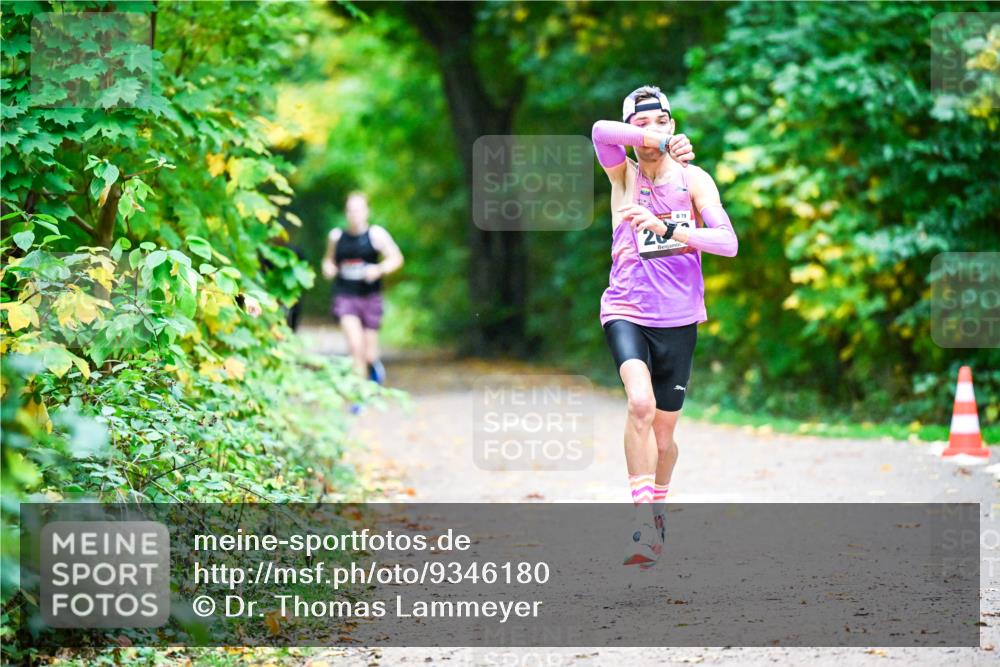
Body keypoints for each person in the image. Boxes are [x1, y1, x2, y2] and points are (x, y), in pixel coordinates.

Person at [591, 86, 738, 567]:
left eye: (663, 122)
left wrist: (669, 228)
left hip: (678, 318)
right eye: (643, 123)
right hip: (626, 308)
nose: (653, 130)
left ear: (674, 126)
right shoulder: (622, 176)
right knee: (639, 404)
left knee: (664, 439)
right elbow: (600, 132)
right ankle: (641, 524)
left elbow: (727, 243)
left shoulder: (693, 179)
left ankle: (657, 511)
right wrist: (649, 137)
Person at [321, 191, 403, 386]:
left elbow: (397, 258)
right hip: (345, 296)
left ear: (366, 212)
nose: (354, 214)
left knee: (368, 353)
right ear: (345, 212)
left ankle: (373, 371)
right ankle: (360, 396)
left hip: (370, 297)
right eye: (350, 210)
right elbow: (328, 261)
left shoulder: (376, 235)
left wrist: (379, 269)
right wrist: (329, 269)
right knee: (355, 347)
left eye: (358, 210)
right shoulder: (336, 236)